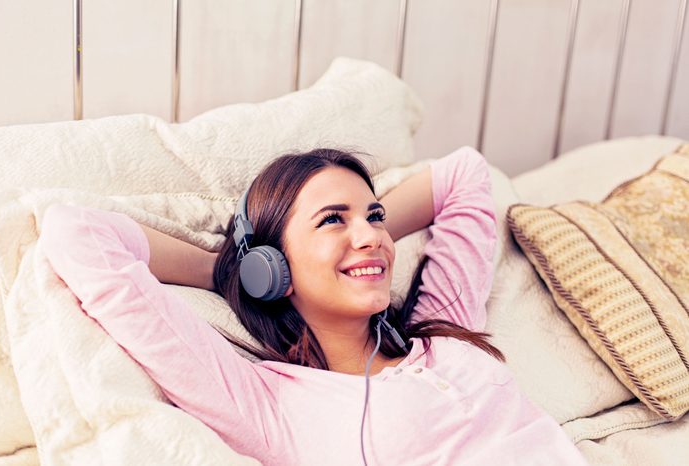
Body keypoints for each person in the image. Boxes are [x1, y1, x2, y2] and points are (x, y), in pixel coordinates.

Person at [39, 147, 588, 465]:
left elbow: (463, 175)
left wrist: (352, 244)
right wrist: (231, 269)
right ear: (271, 265)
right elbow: (78, 233)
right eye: (332, 219)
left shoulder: (441, 331)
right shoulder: (267, 403)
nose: (374, 235)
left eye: (375, 217)